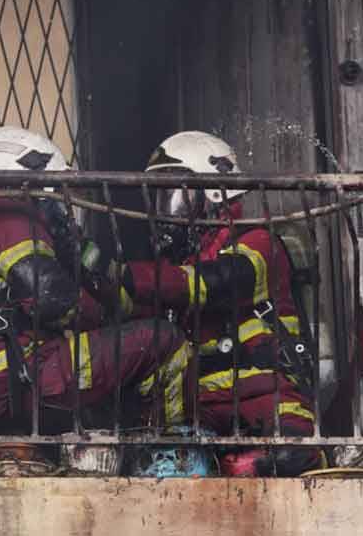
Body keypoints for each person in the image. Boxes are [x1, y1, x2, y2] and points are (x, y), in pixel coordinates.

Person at [0, 126, 187, 435]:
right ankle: (175, 452)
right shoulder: (9, 215)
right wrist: (105, 314)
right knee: (163, 341)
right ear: (32, 181)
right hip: (10, 376)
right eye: (54, 192)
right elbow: (53, 298)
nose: (59, 207)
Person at [117, 131, 321, 475]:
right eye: (159, 198)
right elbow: (131, 307)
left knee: (291, 460)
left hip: (267, 399)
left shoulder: (259, 244)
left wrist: (122, 274)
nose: (164, 212)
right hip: (202, 413)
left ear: (213, 195)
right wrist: (91, 279)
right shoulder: (175, 271)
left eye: (174, 197)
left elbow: (212, 283)